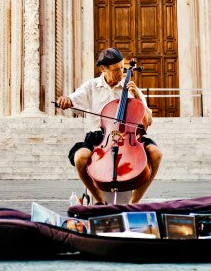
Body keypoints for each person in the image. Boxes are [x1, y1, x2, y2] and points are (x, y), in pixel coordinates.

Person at [57, 48, 162, 205]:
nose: (121, 73)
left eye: (122, 67)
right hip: (100, 137)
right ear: (103, 69)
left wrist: (138, 96)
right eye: (115, 70)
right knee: (80, 159)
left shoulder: (130, 88)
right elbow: (72, 99)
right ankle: (99, 200)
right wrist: (65, 100)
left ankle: (134, 203)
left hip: (128, 136)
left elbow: (148, 120)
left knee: (156, 154)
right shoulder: (91, 87)